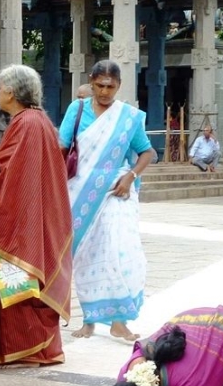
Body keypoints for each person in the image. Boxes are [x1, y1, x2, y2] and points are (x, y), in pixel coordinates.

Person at [0, 64, 73, 368]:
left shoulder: (26, 124)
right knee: (21, 283)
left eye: (0, 87)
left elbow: (13, 177)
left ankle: (29, 348)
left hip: (21, 219)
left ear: (10, 91)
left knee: (19, 283)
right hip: (35, 216)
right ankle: (34, 348)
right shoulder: (39, 122)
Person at [58, 59, 155, 341]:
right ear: (91, 81)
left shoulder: (128, 117)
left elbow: (147, 152)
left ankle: (119, 321)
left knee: (118, 251)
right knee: (87, 254)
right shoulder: (76, 111)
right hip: (80, 192)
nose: (104, 92)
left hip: (117, 192)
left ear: (119, 86)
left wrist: (131, 176)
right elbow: (62, 148)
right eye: (99, 85)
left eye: (110, 87)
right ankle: (89, 319)